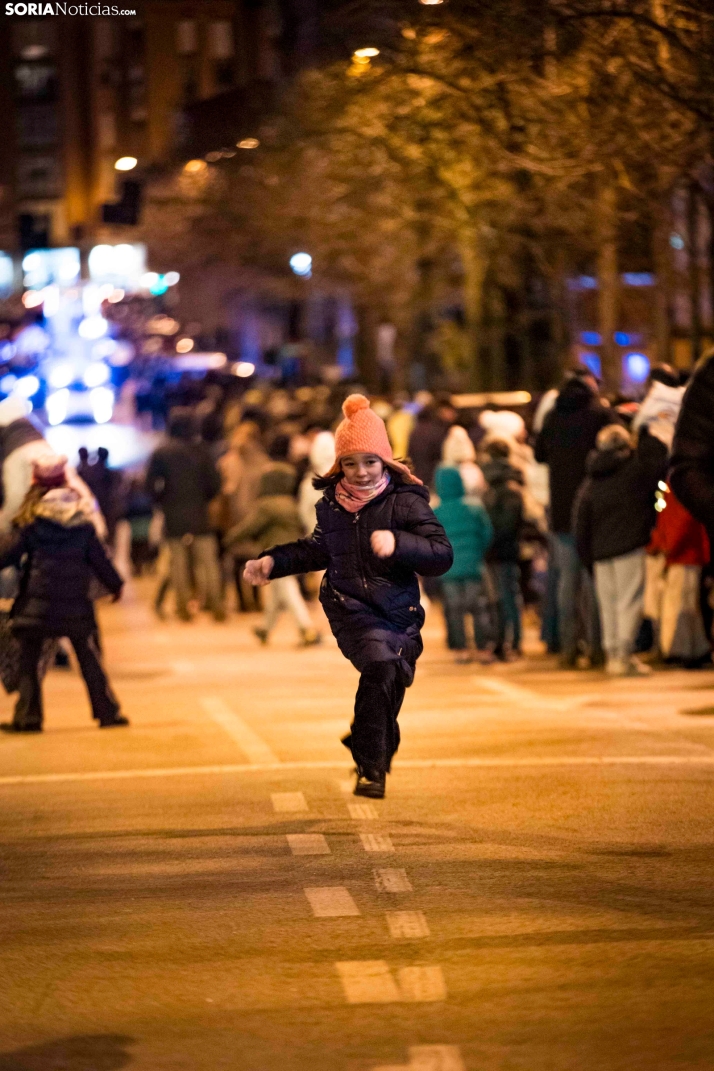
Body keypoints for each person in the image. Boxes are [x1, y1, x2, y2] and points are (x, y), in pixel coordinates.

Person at [244, 394, 453, 799]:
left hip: (399, 610)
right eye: (350, 463)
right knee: (379, 667)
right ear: (339, 465)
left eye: (369, 462)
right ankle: (371, 769)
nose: (359, 472)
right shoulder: (332, 506)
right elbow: (318, 550)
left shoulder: (405, 502)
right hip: (350, 607)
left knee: (392, 681)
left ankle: (364, 738)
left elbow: (441, 555)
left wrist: (399, 542)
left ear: (386, 462)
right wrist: (274, 561)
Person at [0, 455, 126, 733]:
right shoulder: (82, 520)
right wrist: (116, 586)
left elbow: (8, 554)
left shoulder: (32, 521)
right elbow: (99, 559)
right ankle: (107, 713)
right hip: (75, 604)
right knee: (88, 659)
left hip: (37, 604)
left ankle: (28, 718)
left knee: (30, 663)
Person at [535, 369, 618, 667]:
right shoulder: (600, 415)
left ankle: (569, 648)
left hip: (561, 510)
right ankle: (597, 648)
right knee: (595, 582)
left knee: (567, 583)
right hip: (595, 510)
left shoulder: (554, 417)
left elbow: (539, 455)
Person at [573, 424, 668, 676]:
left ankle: (612, 653)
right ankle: (623, 656)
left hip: (600, 553)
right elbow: (661, 466)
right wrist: (648, 433)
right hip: (629, 546)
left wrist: (586, 557)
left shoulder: (592, 478)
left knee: (608, 605)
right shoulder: (635, 471)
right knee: (629, 602)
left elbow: (581, 521)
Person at [226, 465, 321, 647]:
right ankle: (265, 629)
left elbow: (250, 527)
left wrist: (229, 539)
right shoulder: (291, 504)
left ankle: (306, 628)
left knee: (287, 589)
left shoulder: (267, 505)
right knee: (277, 595)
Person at [146, 407, 225, 622]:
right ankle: (216, 606)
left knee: (178, 564)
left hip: (173, 514)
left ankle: (183, 609)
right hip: (200, 513)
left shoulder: (161, 452)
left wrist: (162, 500)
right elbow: (215, 484)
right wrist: (204, 499)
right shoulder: (202, 451)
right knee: (208, 562)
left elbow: (150, 485)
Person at [433, 466, 493, 663]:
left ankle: (461, 649)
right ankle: (484, 648)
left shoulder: (436, 512)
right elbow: (487, 533)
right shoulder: (474, 507)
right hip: (473, 566)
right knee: (478, 607)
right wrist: (478, 553)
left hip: (449, 569)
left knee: (454, 609)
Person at [482, 440, 525, 660]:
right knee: (506, 597)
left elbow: (504, 524)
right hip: (504, 550)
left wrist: (488, 539)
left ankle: (508, 643)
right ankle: (508, 642)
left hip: (499, 551)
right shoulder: (509, 485)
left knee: (503, 598)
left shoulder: (500, 488)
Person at [407, 395, 456, 488]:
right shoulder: (438, 430)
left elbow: (410, 454)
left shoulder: (415, 430)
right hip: (434, 478)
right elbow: (442, 455)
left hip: (418, 476)